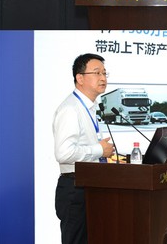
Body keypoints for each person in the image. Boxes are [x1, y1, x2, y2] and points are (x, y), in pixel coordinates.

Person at [53, 53, 115, 244]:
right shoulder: (71, 109)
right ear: (80, 78)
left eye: (104, 73)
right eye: (97, 73)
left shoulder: (90, 108)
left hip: (90, 186)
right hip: (75, 189)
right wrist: (99, 150)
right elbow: (63, 153)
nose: (103, 78)